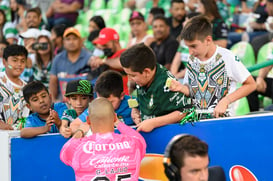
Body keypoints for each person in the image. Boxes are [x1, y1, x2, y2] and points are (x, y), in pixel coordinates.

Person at [169, 15, 256, 118]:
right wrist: (181, 88)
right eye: (188, 47)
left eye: (193, 46)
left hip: (222, 122)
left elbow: (251, 84)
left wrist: (226, 101)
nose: (190, 52)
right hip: (197, 122)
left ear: (208, 40)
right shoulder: (192, 59)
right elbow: (192, 92)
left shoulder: (227, 57)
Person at [60, 97, 146, 181]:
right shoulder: (133, 143)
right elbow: (139, 139)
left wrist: (80, 131)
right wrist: (118, 123)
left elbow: (64, 153)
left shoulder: (78, 148)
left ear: (88, 120)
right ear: (115, 118)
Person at [120, 43, 190, 132]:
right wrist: (135, 110)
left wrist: (154, 122)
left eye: (132, 75)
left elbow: (184, 111)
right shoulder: (144, 77)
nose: (130, 79)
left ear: (146, 72)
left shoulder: (166, 84)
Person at [49, 27, 92, 101]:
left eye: (74, 38)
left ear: (81, 41)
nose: (71, 42)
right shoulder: (57, 59)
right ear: (63, 42)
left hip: (85, 105)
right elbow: (53, 83)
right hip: (64, 104)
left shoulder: (90, 58)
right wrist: (54, 101)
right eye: (68, 39)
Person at [0, 44, 29, 130]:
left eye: (22, 61)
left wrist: (15, 129)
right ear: (5, 62)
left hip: (15, 135)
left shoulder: (26, 88)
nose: (19, 64)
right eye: (15, 60)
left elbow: (24, 116)